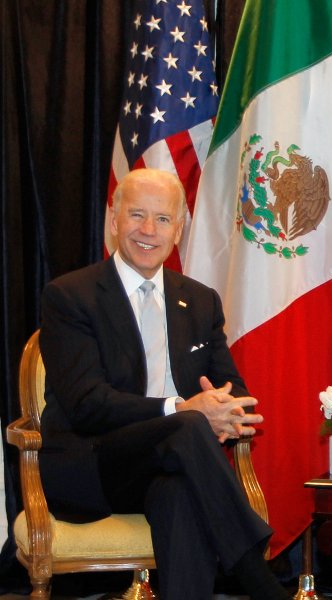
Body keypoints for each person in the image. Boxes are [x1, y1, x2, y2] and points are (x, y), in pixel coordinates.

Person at [38, 168, 286, 599]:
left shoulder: (200, 299)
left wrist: (227, 413)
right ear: (113, 220)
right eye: (137, 215)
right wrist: (183, 409)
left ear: (179, 229)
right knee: (188, 426)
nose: (149, 230)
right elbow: (86, 405)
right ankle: (259, 580)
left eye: (163, 219)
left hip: (170, 467)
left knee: (179, 494)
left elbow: (232, 390)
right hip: (94, 466)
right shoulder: (70, 296)